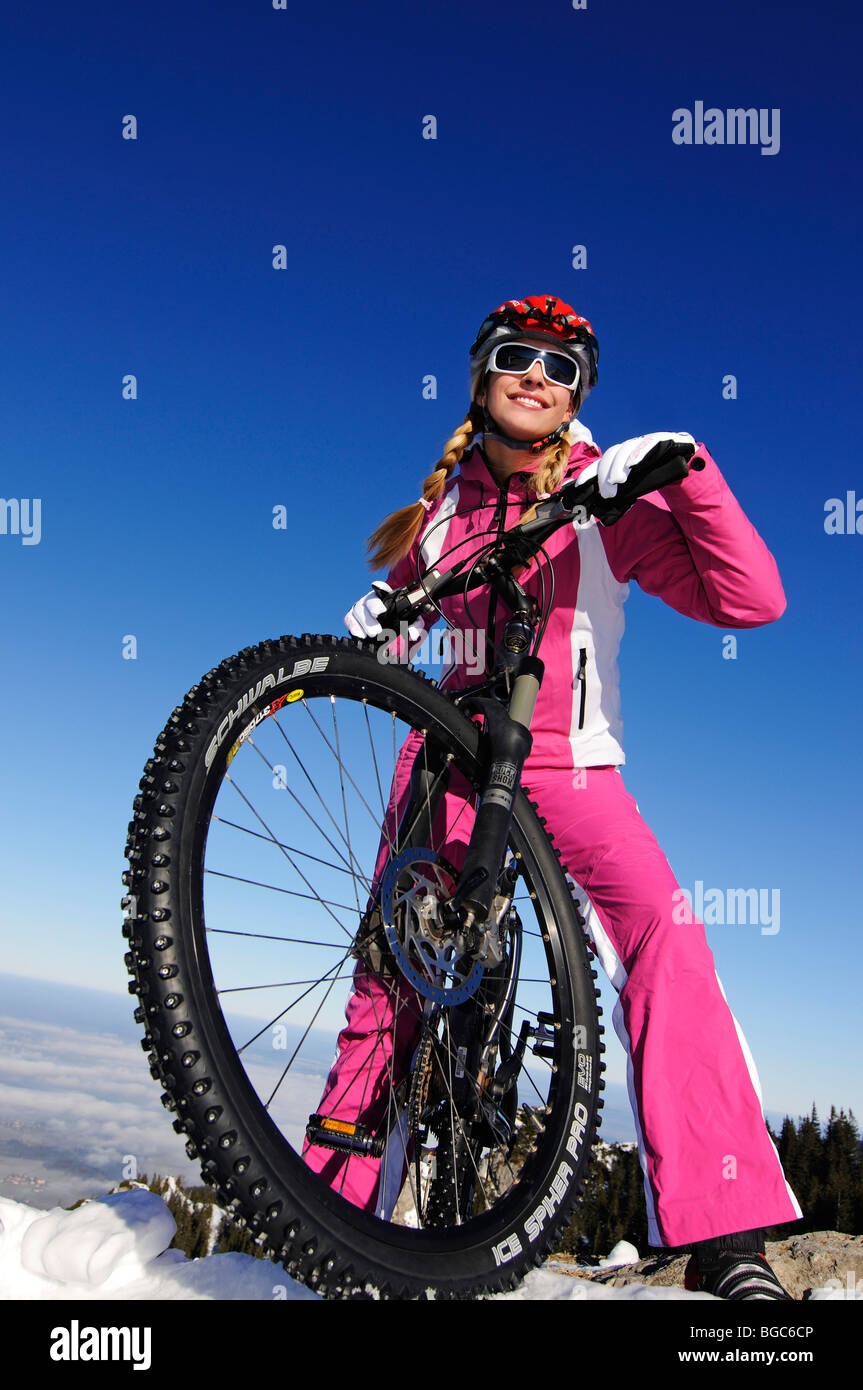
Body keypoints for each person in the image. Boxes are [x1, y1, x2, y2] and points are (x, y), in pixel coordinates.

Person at [304, 294, 803, 1299]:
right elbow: (401, 635)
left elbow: (751, 599)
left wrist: (685, 470)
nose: (536, 376)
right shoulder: (439, 509)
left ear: (579, 395)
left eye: (560, 367)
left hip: (568, 762)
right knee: (385, 984)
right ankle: (330, 1222)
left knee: (666, 937)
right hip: (442, 769)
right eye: (514, 357)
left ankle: (725, 1232)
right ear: (481, 377)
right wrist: (379, 621)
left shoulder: (604, 495)